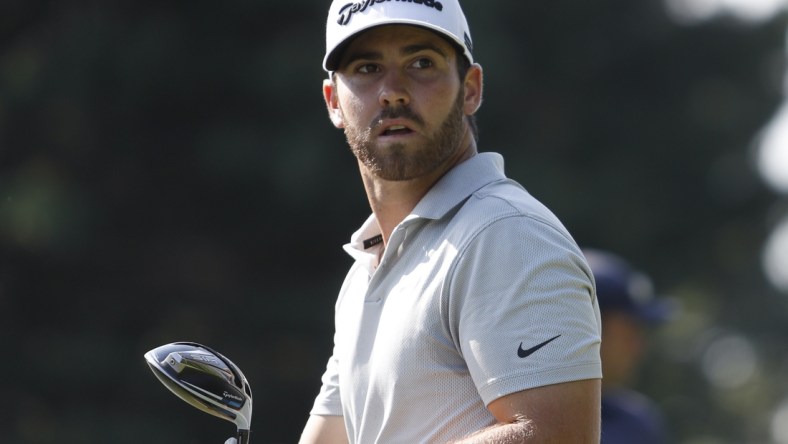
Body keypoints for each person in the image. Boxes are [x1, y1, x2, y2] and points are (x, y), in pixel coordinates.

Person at [295, 1, 602, 442]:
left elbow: (556, 436)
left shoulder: (506, 233)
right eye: (366, 68)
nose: (393, 91)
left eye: (422, 63)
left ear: (471, 88)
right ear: (333, 102)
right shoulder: (366, 270)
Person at [582, 248, 675, 444]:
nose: (638, 349)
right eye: (629, 333)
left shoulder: (636, 423)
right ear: (591, 328)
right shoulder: (512, 423)